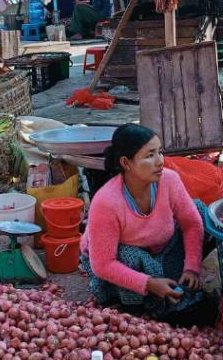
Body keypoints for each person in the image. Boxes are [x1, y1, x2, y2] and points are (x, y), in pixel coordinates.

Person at [80, 124, 215, 326]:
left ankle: (169, 283)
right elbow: (103, 264)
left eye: (160, 152)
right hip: (121, 260)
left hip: (160, 247)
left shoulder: (169, 180)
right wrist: (149, 284)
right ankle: (138, 303)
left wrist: (191, 267)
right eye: (149, 155)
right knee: (128, 255)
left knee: (199, 210)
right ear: (126, 163)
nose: (160, 161)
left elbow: (192, 224)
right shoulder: (106, 202)